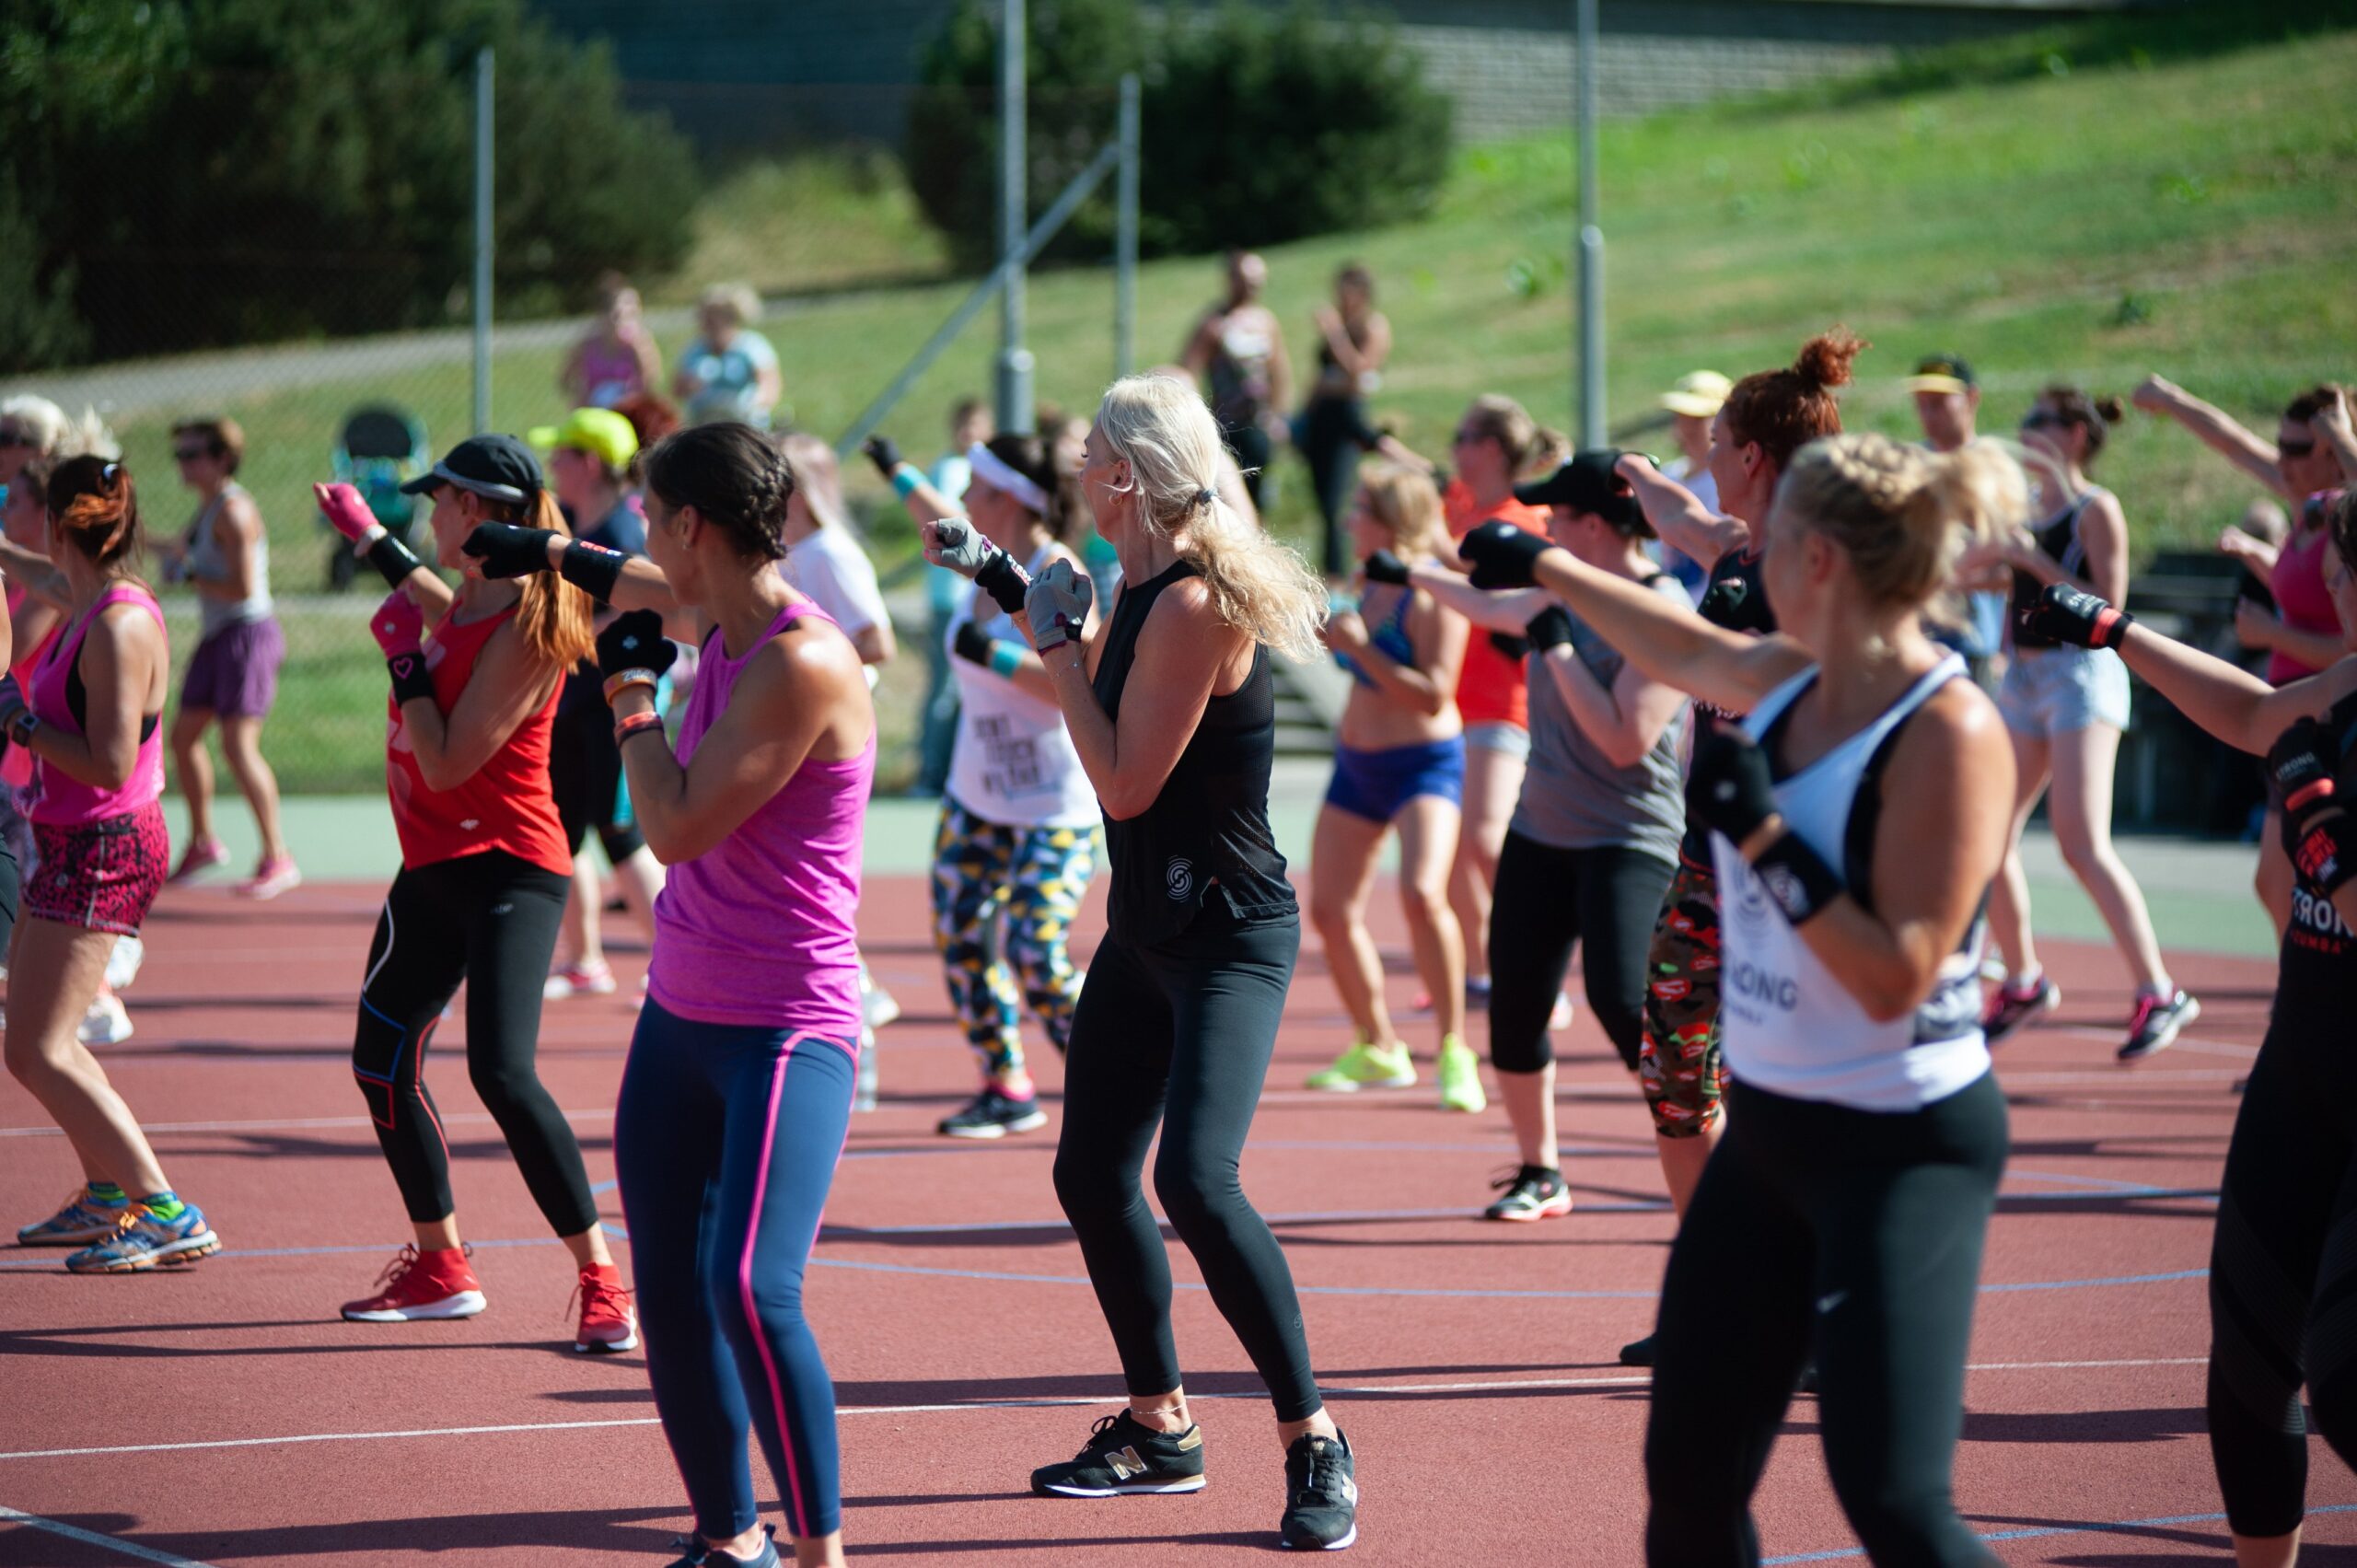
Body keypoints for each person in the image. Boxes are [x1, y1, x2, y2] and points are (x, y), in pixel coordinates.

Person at [1462, 429, 2024, 1565]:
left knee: (1895, 1502)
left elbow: (1896, 973)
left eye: (1765, 540)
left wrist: (1763, 832)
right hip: (1769, 1139)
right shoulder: (1783, 677)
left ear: (1815, 558)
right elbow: (1678, 643)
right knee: (1688, 1485)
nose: (1742, 552)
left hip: (1900, 1142)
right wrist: (1545, 565)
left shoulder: (1947, 728)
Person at [923, 374, 1357, 1550]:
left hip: (1226, 936)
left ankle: (1312, 1434)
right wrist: (1011, 582)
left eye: (1089, 444)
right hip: (1147, 930)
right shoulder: (1142, 583)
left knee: (1197, 1180)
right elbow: (1102, 686)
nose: (1073, 458)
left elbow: (1118, 777)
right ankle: (1162, 1425)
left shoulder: (1195, 602)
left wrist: (1058, 644)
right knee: (1089, 1173)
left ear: (1128, 472)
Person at [464, 421, 875, 1568]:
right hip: (680, 1016)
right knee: (672, 1289)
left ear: (693, 524)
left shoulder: (801, 657)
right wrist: (534, 550)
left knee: (749, 1284)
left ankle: (817, 1552)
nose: (640, 535)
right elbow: (627, 578)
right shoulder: (717, 606)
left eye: (651, 513)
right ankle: (726, 1535)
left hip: (787, 1026)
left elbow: (678, 824)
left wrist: (630, 694)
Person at [2008, 493, 2357, 1568]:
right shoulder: (2349, 682)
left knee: (2343, 1374)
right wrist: (2105, 627)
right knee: (2247, 1371)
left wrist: (2315, 821)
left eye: (2335, 570)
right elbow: (2256, 713)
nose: (2328, 590)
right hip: (2302, 1072)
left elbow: (2340, 881)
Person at [311, 436, 635, 1352]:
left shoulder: (532, 626)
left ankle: (601, 1276)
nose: (431, 512)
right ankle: (440, 1262)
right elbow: (431, 598)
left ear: (481, 510)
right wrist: (370, 534)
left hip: (508, 868)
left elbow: (451, 760)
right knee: (381, 1059)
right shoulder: (474, 594)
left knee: (502, 1068)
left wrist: (403, 666)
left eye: (440, 500)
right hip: (432, 868)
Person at [1607, 328, 1863, 1365]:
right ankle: (1718, 1288)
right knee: (1673, 1070)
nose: (1700, 455)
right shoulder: (1737, 546)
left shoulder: (1819, 567)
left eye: (1713, 439)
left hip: (1787, 880)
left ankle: (1812, 1308)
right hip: (1703, 868)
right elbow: (1678, 515)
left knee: (1788, 1093)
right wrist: (1626, 476)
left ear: (1752, 453)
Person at [1408, 451, 1691, 1219]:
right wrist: (1410, 574)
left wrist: (1560, 649)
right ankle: (1542, 1169)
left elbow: (1625, 738)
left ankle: (1703, 1145)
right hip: (1543, 830)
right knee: (1515, 1009)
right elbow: (1486, 606)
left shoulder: (1663, 609)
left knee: (1622, 1002)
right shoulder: (1548, 596)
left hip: (1628, 836)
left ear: (1593, 525)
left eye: (1556, 517)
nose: (1544, 527)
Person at [2, 456, 221, 1272]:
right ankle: (105, 1192)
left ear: (61, 525)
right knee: (30, 1037)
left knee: (41, 1047)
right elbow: (25, 566)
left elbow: (110, 761)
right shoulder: (86, 596)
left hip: (105, 844)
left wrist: (19, 723)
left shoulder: (120, 624)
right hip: (68, 837)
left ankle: (163, 1206)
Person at [868, 427, 1100, 1138]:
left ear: (1006, 498)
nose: (963, 496)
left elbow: (1078, 681)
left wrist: (994, 661)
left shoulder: (1054, 565)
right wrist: (896, 468)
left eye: (975, 485)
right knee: (963, 936)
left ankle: (1105, 1075)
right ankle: (1006, 1085)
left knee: (1035, 947)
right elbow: (936, 515)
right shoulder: (980, 555)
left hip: (1054, 804)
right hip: (977, 797)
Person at [1975, 388, 2195, 1058]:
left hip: (2080, 675)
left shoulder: (2097, 509)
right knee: (1987, 837)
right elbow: (1995, 584)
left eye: (2035, 421)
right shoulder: (2024, 508)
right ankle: (2023, 977)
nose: (2022, 430)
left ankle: (2159, 988)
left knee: (2080, 841)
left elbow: (2110, 608)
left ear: (2072, 434)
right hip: (2025, 676)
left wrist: (2032, 561)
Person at [2140, 375, 2351, 937]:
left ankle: (2309, 992)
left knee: (2308, 881)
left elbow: (2347, 646)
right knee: (2275, 880)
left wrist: (2270, 635)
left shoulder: (2345, 521)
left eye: (2298, 449)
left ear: (2334, 455)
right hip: (2284, 716)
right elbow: (2233, 444)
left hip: (2331, 716)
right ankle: (2305, 988)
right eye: (2279, 445)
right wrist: (2173, 400)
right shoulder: (2302, 506)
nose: (2281, 459)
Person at [1300, 461, 1479, 1111]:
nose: (1348, 521)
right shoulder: (1364, 582)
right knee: (1328, 909)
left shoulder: (1430, 591)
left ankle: (1455, 1047)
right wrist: (1333, 641)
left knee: (1423, 891)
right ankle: (1377, 1044)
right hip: (1358, 761)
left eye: (1359, 510)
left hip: (1423, 762)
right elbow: (1353, 653)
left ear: (1391, 519)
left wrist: (1363, 651)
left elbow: (1434, 695)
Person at [528, 408, 667, 1000]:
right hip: (574, 704)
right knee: (564, 833)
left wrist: (566, 629)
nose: (550, 465)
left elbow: (646, 607)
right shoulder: (583, 526)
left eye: (559, 454)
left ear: (587, 463)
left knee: (621, 832)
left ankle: (677, 962)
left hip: (612, 707)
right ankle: (585, 960)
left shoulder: (624, 535)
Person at [1438, 395, 1562, 1016]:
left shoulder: (1529, 518)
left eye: (1462, 437)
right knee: (1457, 857)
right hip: (1449, 705)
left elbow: (1508, 601)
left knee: (1488, 842)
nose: (1453, 449)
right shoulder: (1461, 506)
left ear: (1489, 448)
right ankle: (1487, 976)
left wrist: (1436, 556)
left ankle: (1544, 969)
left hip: (1504, 702)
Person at [154, 417, 297, 899]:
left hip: (247, 635)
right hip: (219, 636)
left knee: (238, 745)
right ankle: (202, 842)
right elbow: (180, 552)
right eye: (181, 454)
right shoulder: (207, 507)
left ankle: (278, 856)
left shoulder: (234, 511)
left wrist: (190, 575)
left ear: (220, 459)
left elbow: (242, 587)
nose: (182, 463)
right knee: (183, 737)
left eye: (191, 455)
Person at [1909, 354, 2010, 689]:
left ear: (1972, 398)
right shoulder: (1911, 466)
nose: (1928, 412)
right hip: (1916, 637)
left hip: (1973, 640)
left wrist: (1947, 580)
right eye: (1922, 402)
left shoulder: (1994, 470)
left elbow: (2014, 566)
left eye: (1939, 402)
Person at [1295, 263, 1393, 580]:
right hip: (1320, 418)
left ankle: (1340, 574)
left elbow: (1359, 372)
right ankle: (1329, 573)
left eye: (1347, 289)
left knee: (1337, 502)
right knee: (1323, 504)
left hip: (1346, 419)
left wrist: (1335, 333)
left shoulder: (1372, 326)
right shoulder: (1340, 323)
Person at [916, 398, 994, 793]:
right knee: (943, 689)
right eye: (963, 424)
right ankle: (931, 773)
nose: (969, 433)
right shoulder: (948, 470)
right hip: (951, 598)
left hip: (982, 594)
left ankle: (954, 771)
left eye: (977, 423)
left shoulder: (989, 474)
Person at [1182, 251, 1292, 512]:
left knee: (1259, 500)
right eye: (1247, 279)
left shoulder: (1265, 320)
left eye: (1257, 280)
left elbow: (1279, 371)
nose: (1253, 286)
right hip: (1228, 426)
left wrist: (1278, 415)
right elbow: (1188, 370)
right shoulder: (1214, 323)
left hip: (1259, 423)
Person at [1655, 371, 1730, 596]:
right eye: (1681, 417)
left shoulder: (1731, 485)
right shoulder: (1669, 476)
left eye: (1697, 419)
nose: (1686, 428)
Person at [676, 284, 783, 430]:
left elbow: (769, 385)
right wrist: (689, 386)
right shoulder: (694, 349)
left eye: (712, 317)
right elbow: (677, 389)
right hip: (703, 419)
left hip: (745, 420)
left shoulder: (752, 346)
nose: (705, 322)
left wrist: (755, 403)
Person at [560, 275, 665, 410]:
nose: (626, 323)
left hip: (629, 412)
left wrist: (639, 351)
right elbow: (565, 380)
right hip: (595, 412)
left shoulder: (641, 343)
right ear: (603, 315)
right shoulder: (587, 345)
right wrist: (581, 395)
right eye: (619, 316)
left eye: (632, 315)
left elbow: (652, 381)